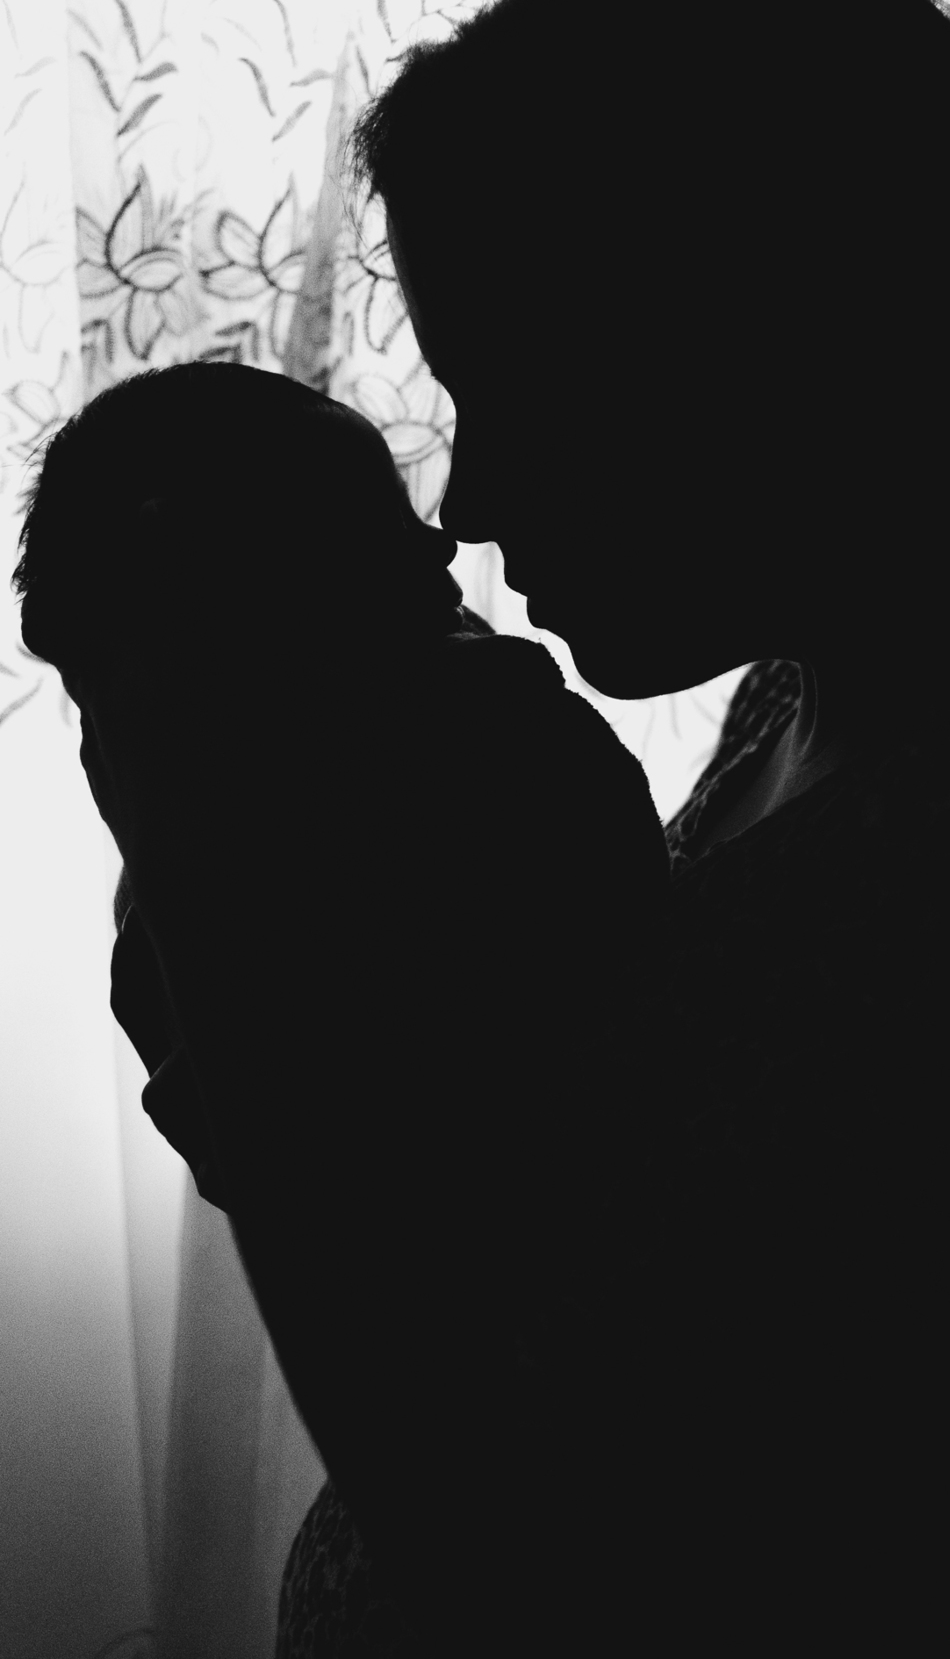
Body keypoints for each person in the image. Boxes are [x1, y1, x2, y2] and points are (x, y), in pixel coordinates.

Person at [340, 0, 950, 1658]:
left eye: (521, 391)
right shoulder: (813, 691)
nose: (468, 502)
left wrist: (280, 1081)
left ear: (773, 334)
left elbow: (612, 1507)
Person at [12, 362, 676, 1655]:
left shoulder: (208, 882)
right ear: (254, 613)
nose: (443, 539)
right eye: (371, 531)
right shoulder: (463, 761)